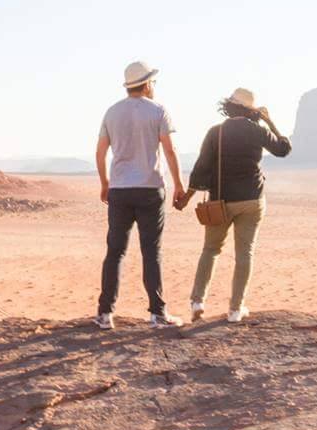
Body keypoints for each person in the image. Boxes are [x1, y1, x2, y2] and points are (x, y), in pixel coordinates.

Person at [176, 86, 291, 323]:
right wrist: (270, 122)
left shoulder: (216, 132)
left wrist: (187, 196)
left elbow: (201, 168)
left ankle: (198, 301)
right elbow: (283, 149)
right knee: (244, 253)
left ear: (228, 106)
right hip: (252, 200)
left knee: (210, 250)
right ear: (251, 111)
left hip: (222, 201)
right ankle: (236, 310)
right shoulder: (258, 131)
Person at [94, 60, 186, 329]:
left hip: (120, 190)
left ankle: (104, 313)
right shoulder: (158, 111)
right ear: (146, 84)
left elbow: (100, 153)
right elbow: (170, 151)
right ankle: (158, 314)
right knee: (151, 252)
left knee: (115, 251)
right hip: (150, 188)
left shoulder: (112, 112)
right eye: (153, 83)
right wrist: (179, 184)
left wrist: (104, 183)